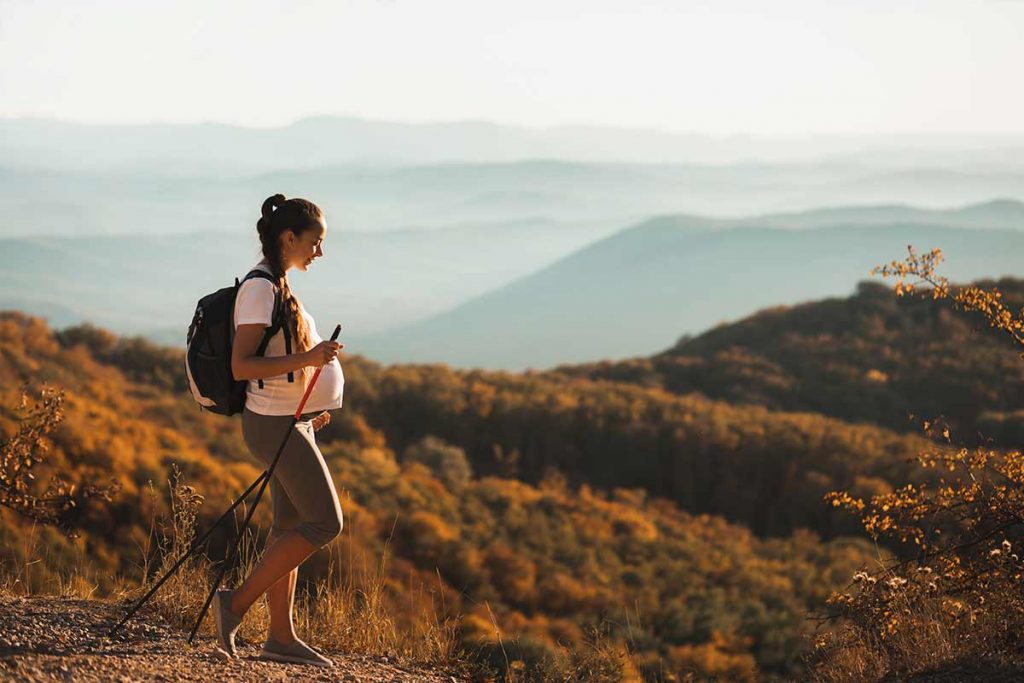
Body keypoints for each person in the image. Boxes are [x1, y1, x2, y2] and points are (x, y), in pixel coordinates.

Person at [211, 193, 345, 668]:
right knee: (325, 522)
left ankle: (280, 639)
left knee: (289, 527)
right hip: (270, 426)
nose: (320, 252)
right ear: (289, 237)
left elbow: (276, 365)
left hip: (291, 422)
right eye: (315, 242)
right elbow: (243, 365)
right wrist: (310, 360)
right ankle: (235, 604)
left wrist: (308, 408)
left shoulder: (280, 284)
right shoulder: (260, 290)